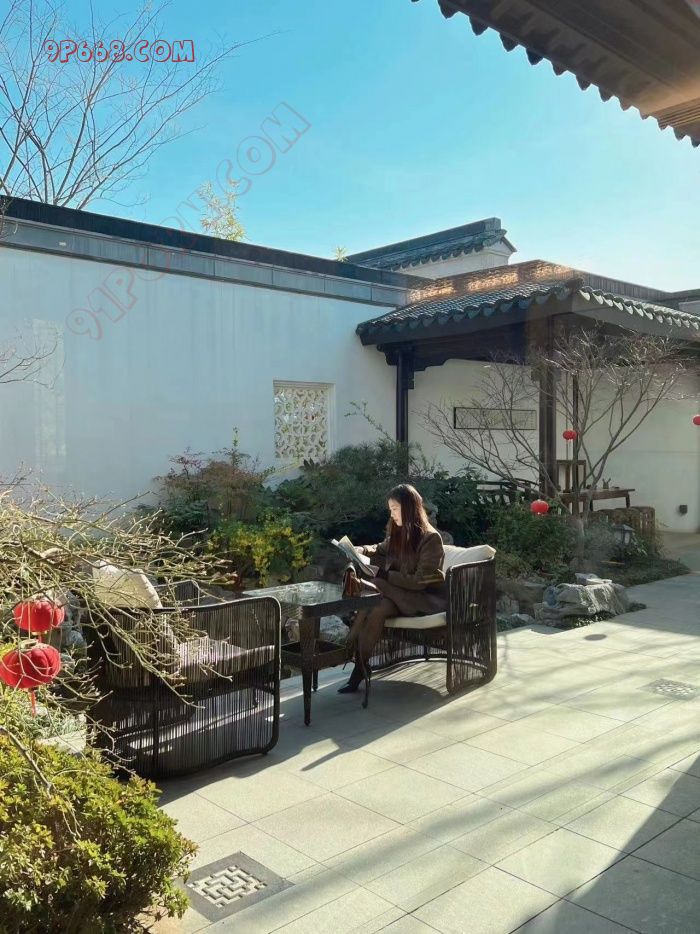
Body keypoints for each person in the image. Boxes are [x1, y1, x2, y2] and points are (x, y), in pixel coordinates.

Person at [339, 483, 447, 700]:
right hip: (397, 597)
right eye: (390, 509)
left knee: (377, 582)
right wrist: (360, 550)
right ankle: (360, 669)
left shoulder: (430, 539)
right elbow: (379, 548)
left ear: (409, 507)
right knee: (377, 608)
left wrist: (384, 574)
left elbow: (419, 582)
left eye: (395, 509)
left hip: (422, 600)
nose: (392, 514)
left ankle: (349, 641)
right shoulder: (399, 533)